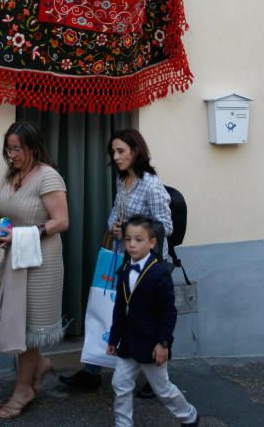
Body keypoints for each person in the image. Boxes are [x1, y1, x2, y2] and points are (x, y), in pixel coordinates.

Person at [60, 128, 173, 391]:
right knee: (107, 310)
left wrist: (131, 231)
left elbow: (165, 226)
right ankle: (92, 370)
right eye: (113, 151)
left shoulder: (151, 184)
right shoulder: (123, 181)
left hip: (148, 266)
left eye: (121, 151)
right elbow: (115, 211)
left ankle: (156, 378)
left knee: (149, 318)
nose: (116, 156)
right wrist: (114, 227)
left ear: (135, 151)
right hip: (122, 258)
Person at [0, 121, 69, 419]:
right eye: (9, 148)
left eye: (17, 148)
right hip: (16, 258)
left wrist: (23, 233)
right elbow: (4, 209)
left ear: (32, 147)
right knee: (18, 321)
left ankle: (22, 391)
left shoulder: (47, 177)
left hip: (41, 262)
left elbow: (61, 222)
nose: (12, 154)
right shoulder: (11, 176)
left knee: (26, 328)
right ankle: (39, 367)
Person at [107, 216, 200, 427]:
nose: (131, 244)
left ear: (152, 242)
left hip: (152, 345)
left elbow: (169, 312)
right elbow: (120, 308)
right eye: (128, 239)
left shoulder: (160, 273)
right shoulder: (123, 271)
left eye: (138, 239)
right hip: (128, 343)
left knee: (163, 389)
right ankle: (123, 424)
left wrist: (163, 343)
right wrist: (114, 337)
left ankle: (189, 416)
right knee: (120, 385)